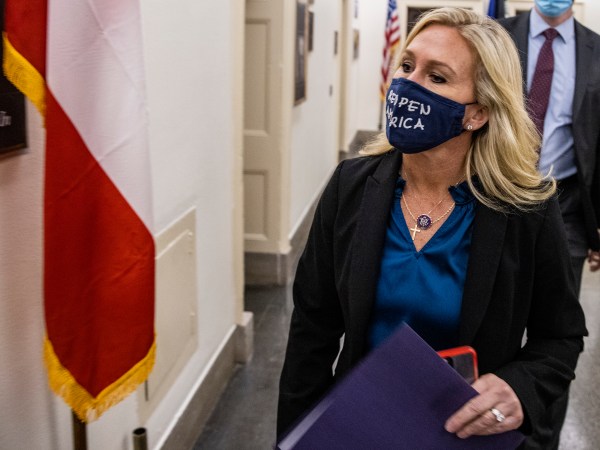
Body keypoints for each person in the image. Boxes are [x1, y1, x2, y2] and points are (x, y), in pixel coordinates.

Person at [277, 7, 587, 449]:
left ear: (477, 113)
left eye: (437, 77)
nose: (407, 85)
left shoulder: (527, 209)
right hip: (358, 425)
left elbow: (559, 336)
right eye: (407, 66)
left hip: (464, 435)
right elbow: (312, 328)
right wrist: (295, 438)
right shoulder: (351, 186)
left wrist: (519, 388)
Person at [498, 2, 600, 447]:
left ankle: (542, 440)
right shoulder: (499, 34)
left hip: (568, 210)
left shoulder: (596, 50)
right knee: (494, 320)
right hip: (496, 198)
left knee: (554, 335)